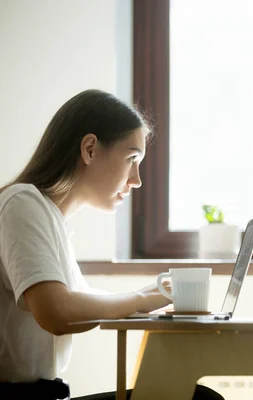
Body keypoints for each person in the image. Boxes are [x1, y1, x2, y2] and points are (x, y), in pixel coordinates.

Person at [0, 89, 173, 399]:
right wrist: (139, 300)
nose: (137, 180)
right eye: (132, 159)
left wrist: (150, 293)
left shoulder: (51, 220)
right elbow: (57, 311)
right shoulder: (21, 203)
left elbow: (79, 300)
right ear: (90, 149)